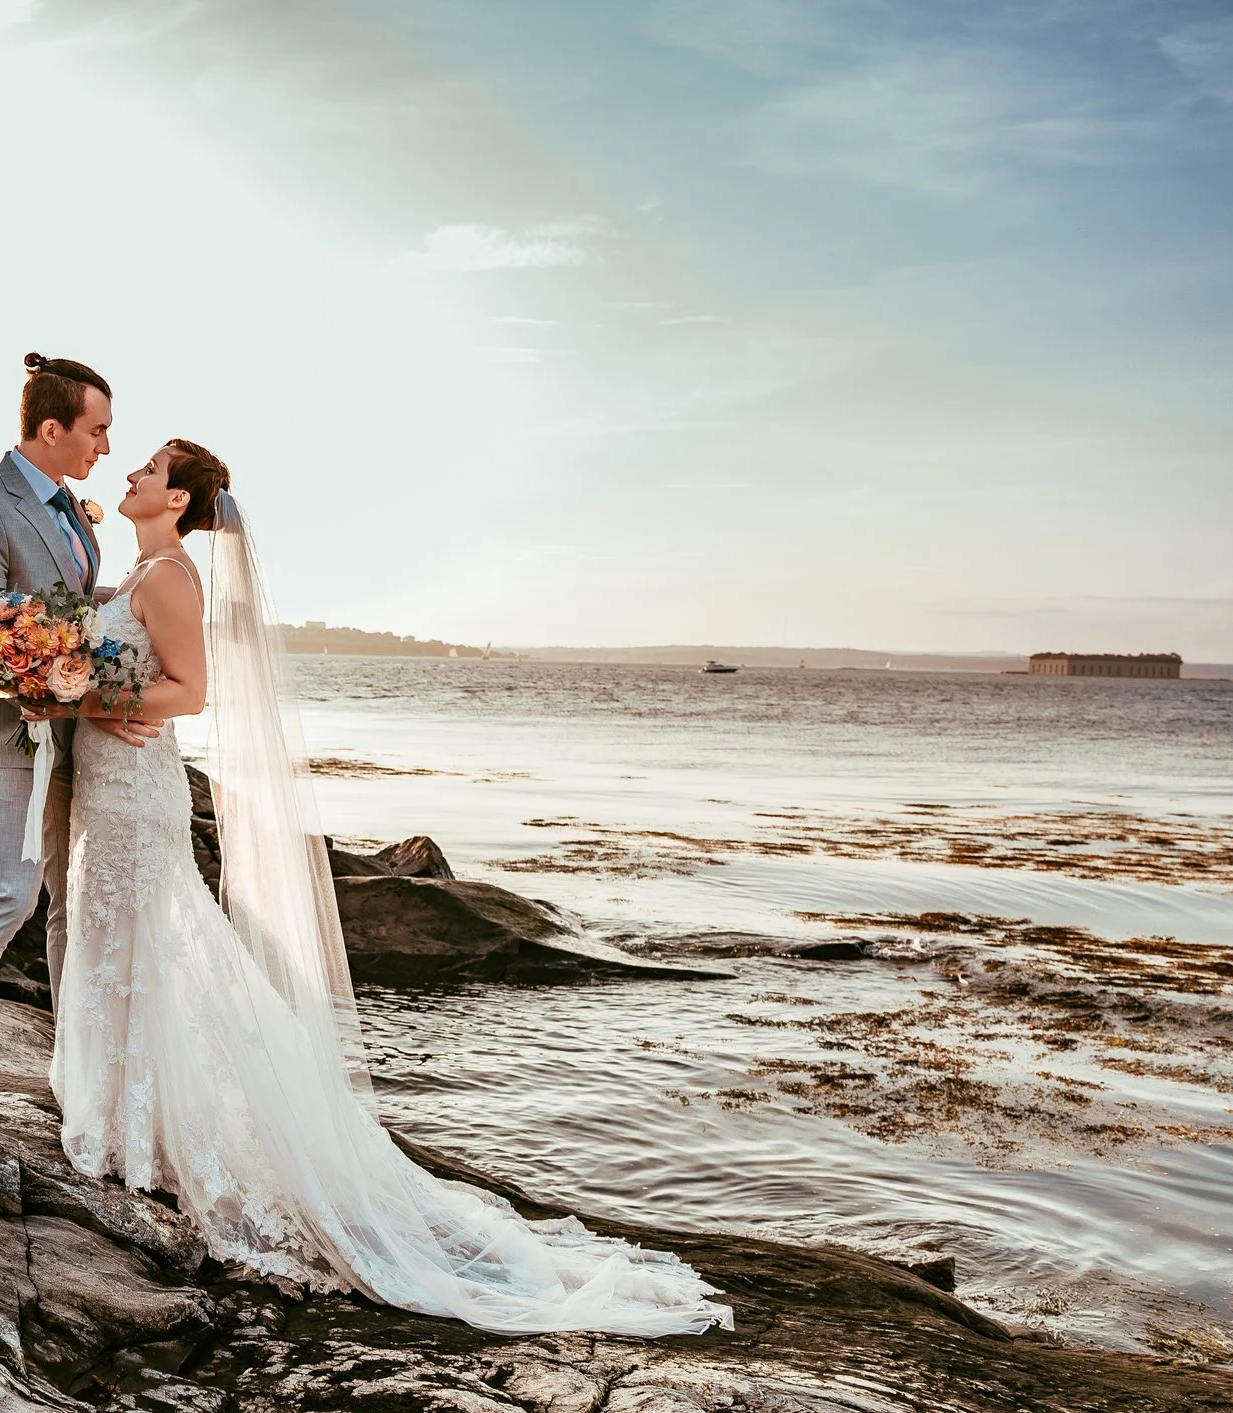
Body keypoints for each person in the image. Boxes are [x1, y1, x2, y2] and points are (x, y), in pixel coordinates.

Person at [47, 440, 734, 1336]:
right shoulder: (137, 570)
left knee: (153, 939)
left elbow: (194, 691)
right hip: (109, 788)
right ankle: (123, 1118)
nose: (131, 472)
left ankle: (145, 1132)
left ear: (176, 499)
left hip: (137, 791)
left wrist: (94, 703)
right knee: (129, 943)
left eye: (149, 467)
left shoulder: (170, 577)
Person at [0, 353, 158, 1128]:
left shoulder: (73, 512)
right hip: (6, 733)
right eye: (98, 429)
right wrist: (62, 680)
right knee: (7, 890)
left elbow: (74, 608)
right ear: (52, 427)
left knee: (63, 905)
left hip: (71, 736)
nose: (106, 448)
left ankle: (73, 1068)